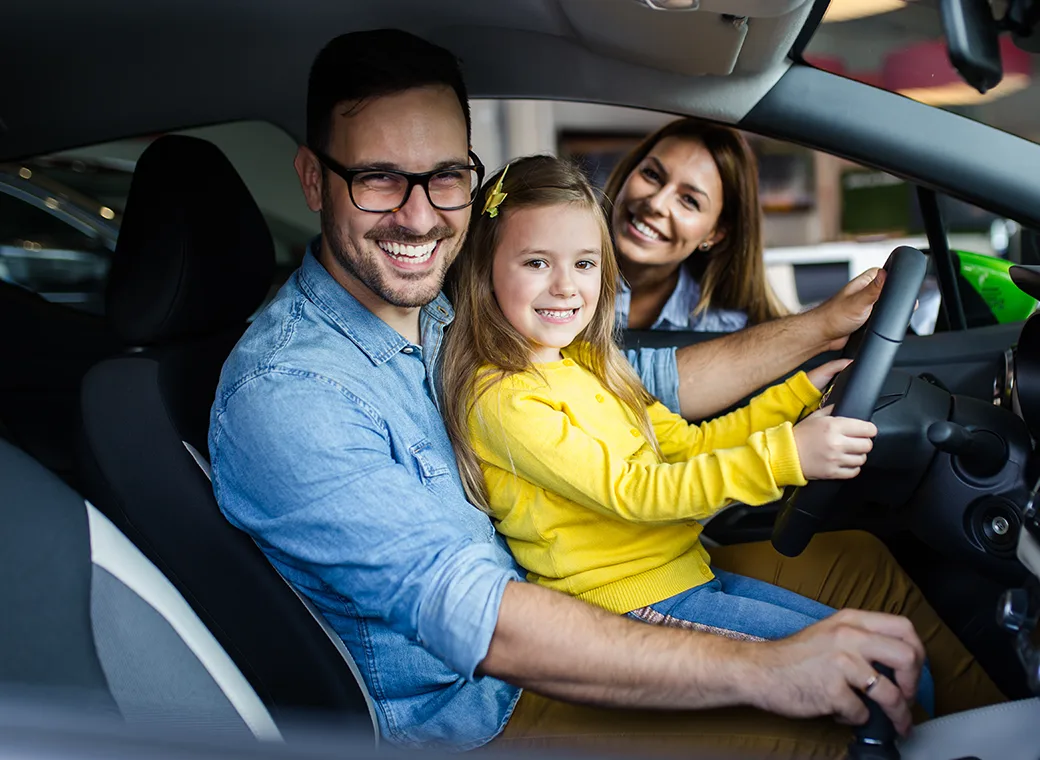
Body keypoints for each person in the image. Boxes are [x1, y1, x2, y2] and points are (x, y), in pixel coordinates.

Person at [208, 28, 1004, 756]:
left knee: (861, 565)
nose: (419, 217)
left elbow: (644, 387)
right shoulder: (289, 393)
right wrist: (766, 669)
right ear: (315, 178)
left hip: (577, 597)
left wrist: (819, 331)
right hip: (490, 708)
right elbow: (480, 618)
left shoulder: (453, 301)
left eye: (446, 177)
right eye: (379, 179)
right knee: (831, 720)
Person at [440, 154, 935, 716]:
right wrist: (785, 457)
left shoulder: (584, 365)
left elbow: (691, 446)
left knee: (891, 657)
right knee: (888, 680)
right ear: (485, 268)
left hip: (684, 578)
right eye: (535, 262)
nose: (565, 286)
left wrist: (796, 395)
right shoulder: (503, 397)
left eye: (584, 263)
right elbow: (639, 492)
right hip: (628, 610)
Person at [605, 118, 787, 333]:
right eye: (652, 174)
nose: (656, 203)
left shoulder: (727, 331)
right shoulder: (560, 283)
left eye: (689, 200)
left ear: (716, 234)